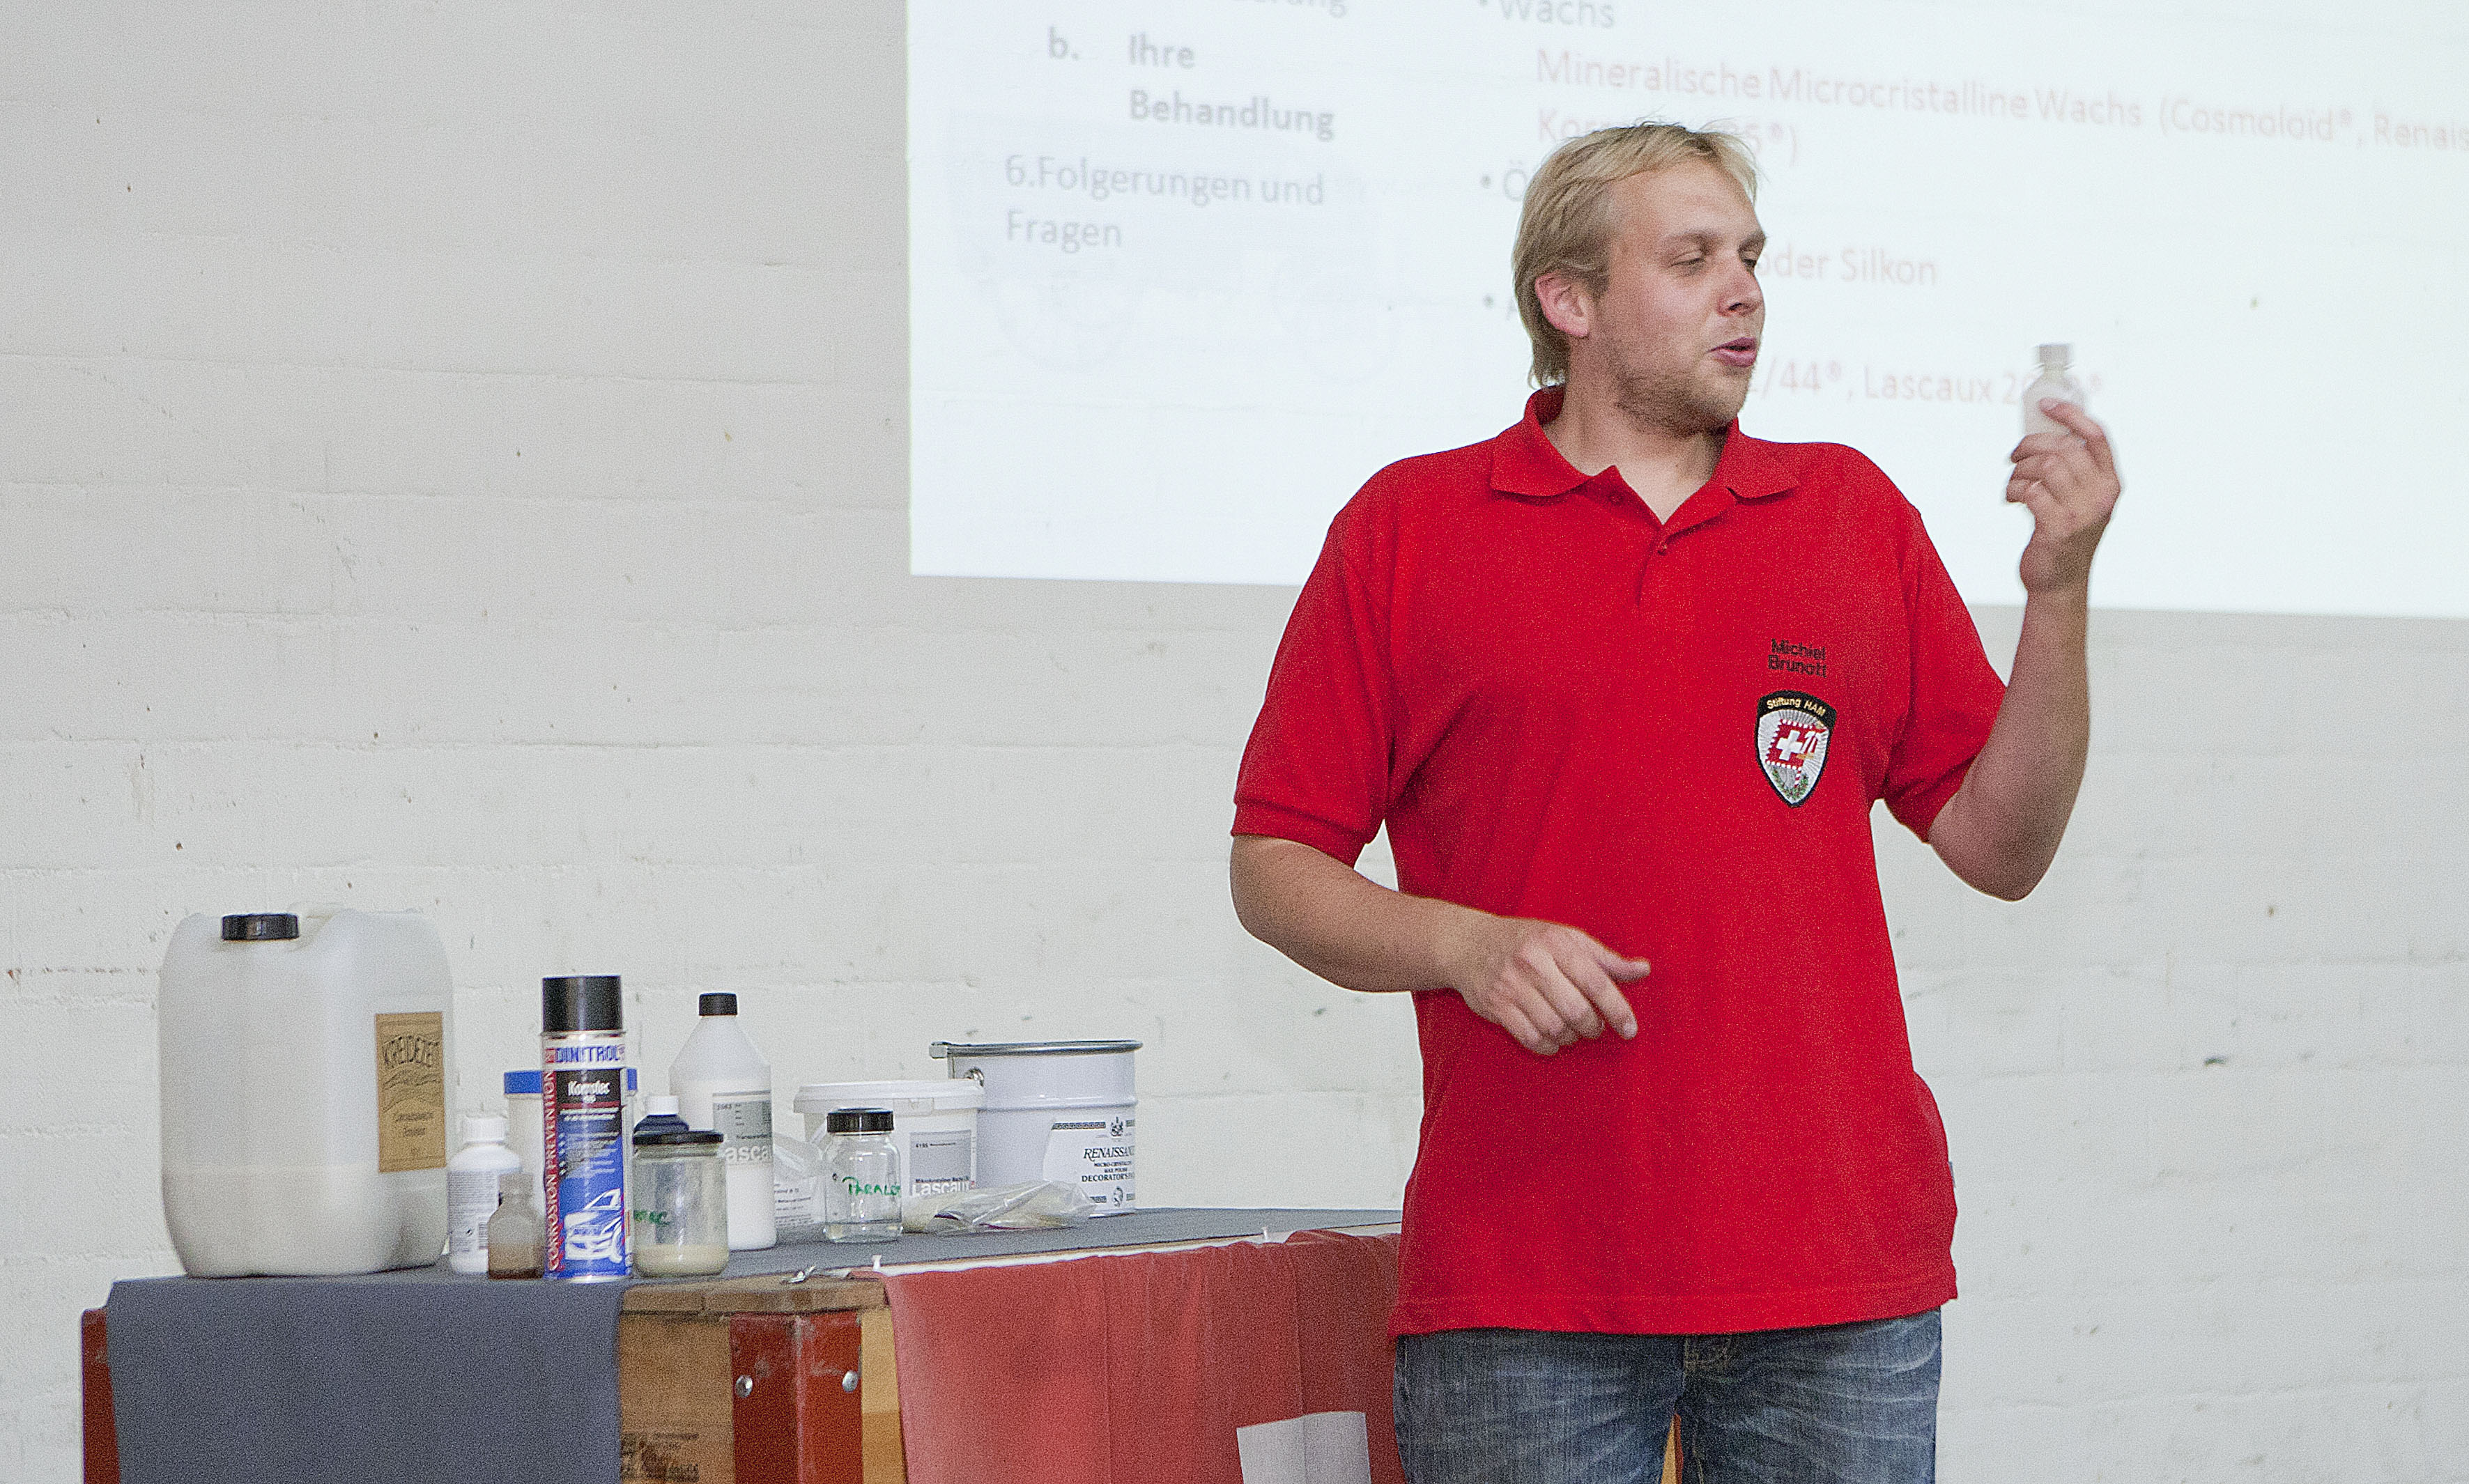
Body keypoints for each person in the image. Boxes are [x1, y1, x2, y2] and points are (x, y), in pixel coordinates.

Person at [1227, 123, 2121, 1483]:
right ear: (1567, 302)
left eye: (1750, 256)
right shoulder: (1408, 530)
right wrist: (1466, 944)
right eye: (1692, 257)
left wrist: (2054, 597)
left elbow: (1999, 849)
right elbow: (1274, 861)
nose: (1743, 288)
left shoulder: (1848, 512)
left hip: (1839, 1281)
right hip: (1525, 1292)